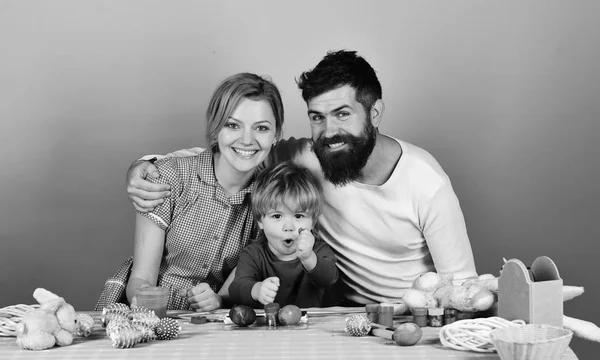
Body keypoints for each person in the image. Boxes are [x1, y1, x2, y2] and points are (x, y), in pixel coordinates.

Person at [126, 50, 478, 306]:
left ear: (375, 112)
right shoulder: (308, 157)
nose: (330, 131)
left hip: (409, 314)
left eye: (342, 113)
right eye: (317, 117)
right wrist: (146, 165)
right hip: (337, 316)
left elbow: (462, 286)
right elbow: (234, 154)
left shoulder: (426, 182)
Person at [95, 72, 285, 312]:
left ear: (276, 134)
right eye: (233, 125)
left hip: (215, 318)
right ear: (216, 128)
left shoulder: (271, 201)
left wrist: (218, 300)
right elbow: (141, 277)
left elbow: (244, 277)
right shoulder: (169, 177)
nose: (247, 140)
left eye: (261, 128)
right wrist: (151, 307)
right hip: (146, 308)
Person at [228, 161, 338, 308]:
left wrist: (308, 258)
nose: (288, 227)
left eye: (298, 216)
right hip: (265, 328)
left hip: (310, 328)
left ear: (313, 221)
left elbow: (329, 278)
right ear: (260, 221)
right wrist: (257, 290)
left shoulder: (318, 250)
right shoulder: (253, 254)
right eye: (277, 216)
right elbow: (235, 289)